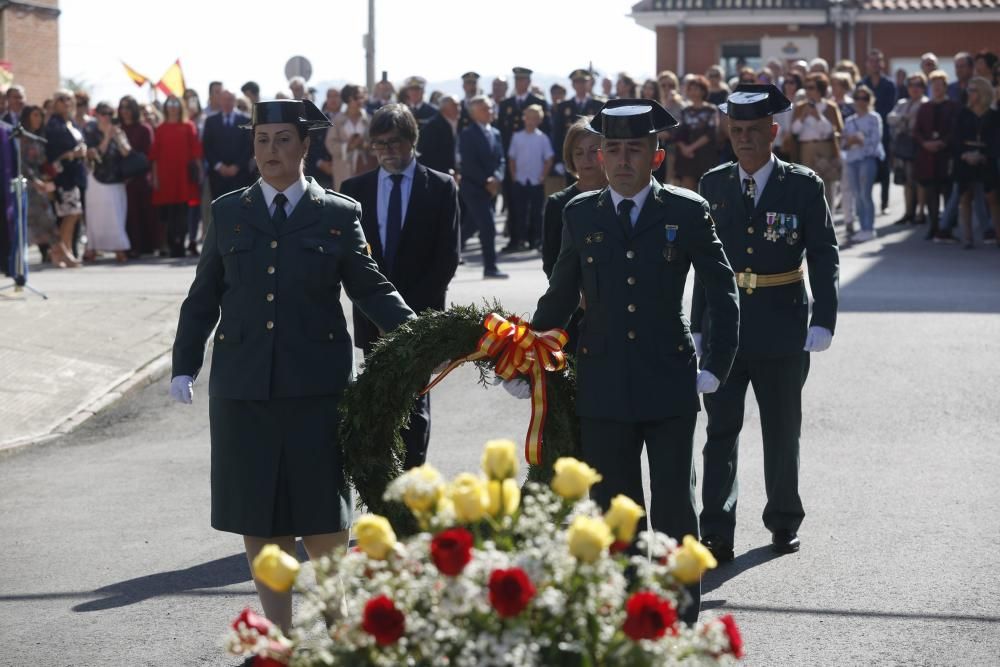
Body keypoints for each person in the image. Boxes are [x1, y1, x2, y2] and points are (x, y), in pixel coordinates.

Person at [169, 98, 415, 632]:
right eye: (262, 140)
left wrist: (422, 338)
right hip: (244, 386)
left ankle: (336, 623)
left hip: (316, 389)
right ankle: (278, 633)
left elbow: (372, 289)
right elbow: (204, 293)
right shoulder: (230, 211)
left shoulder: (337, 214)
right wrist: (183, 364)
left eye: (283, 140)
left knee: (322, 512)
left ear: (306, 147)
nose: (271, 151)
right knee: (259, 512)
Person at [514, 98, 739, 623]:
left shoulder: (685, 210)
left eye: (632, 149)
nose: (619, 160)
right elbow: (561, 294)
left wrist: (717, 362)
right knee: (617, 506)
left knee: (674, 505)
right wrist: (528, 352)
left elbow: (722, 288)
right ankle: (634, 609)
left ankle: (682, 613)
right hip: (604, 382)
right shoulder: (579, 212)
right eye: (610, 149)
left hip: (669, 378)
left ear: (655, 156)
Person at [694, 84, 839, 563]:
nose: (744, 140)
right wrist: (698, 326)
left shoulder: (802, 185)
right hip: (726, 332)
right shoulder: (712, 185)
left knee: (782, 430)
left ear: (773, 131)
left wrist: (824, 318)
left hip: (782, 323)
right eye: (736, 131)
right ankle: (715, 529)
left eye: (754, 131)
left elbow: (823, 254)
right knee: (720, 434)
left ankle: (783, 520)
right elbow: (704, 263)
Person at [340, 104, 459, 468]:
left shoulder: (439, 186)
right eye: (379, 144)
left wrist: (406, 319)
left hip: (420, 320)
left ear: (412, 141)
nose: (387, 151)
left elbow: (445, 260)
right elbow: (349, 261)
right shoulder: (353, 190)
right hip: (370, 320)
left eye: (394, 142)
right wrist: (378, 311)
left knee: (414, 407)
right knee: (378, 405)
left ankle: (412, 484)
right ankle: (381, 482)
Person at [540, 116, 607, 352]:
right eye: (578, 153)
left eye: (593, 151)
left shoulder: (621, 197)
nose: (586, 160)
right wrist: (578, 299)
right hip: (575, 314)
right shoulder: (558, 203)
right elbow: (551, 261)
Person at [458, 95, 508, 279]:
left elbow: (501, 159)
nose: (490, 111)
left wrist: (497, 177)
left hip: (491, 188)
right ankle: (490, 267)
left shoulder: (495, 133)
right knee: (488, 226)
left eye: (491, 108)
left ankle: (451, 252)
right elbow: (469, 164)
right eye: (485, 109)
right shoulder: (467, 134)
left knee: (470, 226)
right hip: (474, 187)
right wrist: (486, 181)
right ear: (474, 114)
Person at [150, 95, 203, 258]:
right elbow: (154, 156)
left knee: (183, 211)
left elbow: (196, 152)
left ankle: (181, 243)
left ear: (180, 107)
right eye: (169, 103)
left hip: (183, 176)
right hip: (165, 176)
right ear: (165, 107)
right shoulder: (160, 128)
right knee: (168, 213)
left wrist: (200, 172)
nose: (172, 106)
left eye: (175, 103)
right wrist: (155, 177)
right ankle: (171, 244)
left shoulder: (188, 126)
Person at [952, 77, 1000, 248]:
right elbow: (956, 138)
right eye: (969, 90)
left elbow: (996, 140)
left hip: (986, 158)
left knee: (993, 197)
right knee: (965, 197)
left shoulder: (994, 116)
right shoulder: (963, 114)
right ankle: (967, 237)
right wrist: (965, 154)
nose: (969, 93)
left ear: (982, 92)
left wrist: (984, 156)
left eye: (973, 90)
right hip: (965, 158)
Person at [83, 102, 132, 263]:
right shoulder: (90, 131)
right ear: (96, 114)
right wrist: (106, 137)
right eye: (104, 113)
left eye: (111, 114)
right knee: (95, 217)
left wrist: (118, 137)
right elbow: (96, 154)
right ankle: (93, 248)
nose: (107, 117)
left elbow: (126, 152)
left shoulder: (118, 131)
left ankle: (119, 248)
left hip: (116, 179)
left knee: (116, 217)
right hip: (97, 178)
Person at [913, 70, 960, 241]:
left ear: (945, 87)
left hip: (945, 156)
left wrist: (943, 143)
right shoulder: (925, 107)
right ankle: (933, 226)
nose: (937, 89)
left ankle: (946, 227)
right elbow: (917, 130)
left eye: (940, 85)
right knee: (931, 192)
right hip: (927, 157)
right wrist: (925, 143)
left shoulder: (952, 107)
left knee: (947, 192)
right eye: (934, 85)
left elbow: (955, 129)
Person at [44, 89, 87, 268]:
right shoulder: (54, 124)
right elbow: (52, 152)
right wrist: (72, 154)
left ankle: (66, 249)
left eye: (69, 99)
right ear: (55, 103)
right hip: (63, 176)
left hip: (75, 174)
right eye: (61, 99)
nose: (66, 102)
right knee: (70, 214)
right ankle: (59, 250)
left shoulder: (71, 123)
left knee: (74, 213)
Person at [789, 73, 844, 213]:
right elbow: (794, 130)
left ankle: (828, 219)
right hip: (806, 149)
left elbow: (832, 131)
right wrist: (803, 116)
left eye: (811, 87)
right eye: (806, 87)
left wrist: (818, 116)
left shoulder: (830, 107)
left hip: (825, 148)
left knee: (827, 186)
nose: (807, 90)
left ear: (820, 89)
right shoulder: (800, 107)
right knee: (808, 185)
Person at [506, 104, 554, 251]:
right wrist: (514, 175)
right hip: (520, 179)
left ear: (539, 120)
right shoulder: (517, 136)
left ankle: (536, 239)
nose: (531, 121)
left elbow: (549, 158)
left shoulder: (542, 138)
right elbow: (512, 158)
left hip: (535, 180)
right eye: (528, 118)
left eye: (535, 118)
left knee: (536, 212)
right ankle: (520, 239)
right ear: (524, 119)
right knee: (519, 212)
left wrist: (542, 176)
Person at [841, 85, 885, 242]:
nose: (861, 101)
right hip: (852, 160)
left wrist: (860, 140)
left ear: (870, 100)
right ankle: (862, 227)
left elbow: (875, 140)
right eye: (858, 98)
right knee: (857, 195)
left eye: (864, 98)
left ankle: (869, 227)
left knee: (866, 193)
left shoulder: (874, 118)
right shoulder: (849, 120)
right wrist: (850, 141)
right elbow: (843, 144)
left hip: (868, 159)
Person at [887, 73, 928, 226]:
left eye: (918, 85)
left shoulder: (925, 103)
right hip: (903, 145)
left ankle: (920, 212)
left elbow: (918, 122)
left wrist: (902, 119)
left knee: (918, 181)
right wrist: (904, 118)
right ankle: (908, 212)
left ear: (923, 87)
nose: (914, 89)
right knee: (906, 181)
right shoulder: (903, 103)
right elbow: (891, 118)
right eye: (911, 85)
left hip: (919, 145)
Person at [117, 95, 155, 256]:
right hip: (120, 180)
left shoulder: (144, 129)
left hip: (140, 178)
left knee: (142, 213)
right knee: (127, 215)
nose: (125, 111)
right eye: (122, 107)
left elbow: (149, 156)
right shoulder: (118, 129)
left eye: (128, 107)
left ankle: (144, 246)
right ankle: (130, 246)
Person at [18, 105, 57, 256]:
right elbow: (20, 162)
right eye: (35, 115)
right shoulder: (22, 137)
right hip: (27, 185)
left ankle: (55, 253)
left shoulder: (37, 137)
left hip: (40, 184)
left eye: (40, 116)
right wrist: (34, 180)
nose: (38, 119)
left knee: (49, 219)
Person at [551, 70, 604, 178]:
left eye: (583, 82)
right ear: (573, 84)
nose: (580, 85)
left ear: (589, 83)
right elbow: (557, 134)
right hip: (571, 157)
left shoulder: (598, 104)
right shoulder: (563, 106)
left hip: (594, 156)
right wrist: (558, 160)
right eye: (577, 82)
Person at [861, 50, 895, 215]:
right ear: (867, 64)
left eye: (877, 61)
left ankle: (884, 203)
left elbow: (889, 109)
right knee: (864, 168)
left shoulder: (889, 84)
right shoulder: (861, 84)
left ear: (882, 64)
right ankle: (864, 204)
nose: (875, 64)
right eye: (871, 61)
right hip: (864, 133)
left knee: (884, 168)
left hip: (883, 133)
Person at [202, 90, 253, 200]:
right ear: (220, 101)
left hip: (240, 175)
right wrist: (219, 166)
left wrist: (237, 166)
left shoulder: (246, 120)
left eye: (230, 100)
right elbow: (207, 147)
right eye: (224, 100)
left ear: (234, 101)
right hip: (217, 176)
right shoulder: (211, 121)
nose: (227, 102)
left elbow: (249, 147)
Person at [674, 75, 719, 191]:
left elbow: (711, 133)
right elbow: (678, 133)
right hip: (687, 157)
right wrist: (684, 148)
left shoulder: (711, 109)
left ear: (704, 91)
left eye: (696, 89)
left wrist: (691, 148)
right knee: (688, 192)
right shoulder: (684, 110)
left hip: (706, 155)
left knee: (707, 190)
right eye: (690, 89)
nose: (693, 92)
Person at [326, 83, 372, 191]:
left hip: (366, 170)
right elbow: (330, 144)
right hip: (343, 172)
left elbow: (377, 143)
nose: (361, 101)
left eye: (362, 97)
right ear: (348, 99)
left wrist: (364, 145)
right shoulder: (336, 120)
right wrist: (348, 146)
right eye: (357, 98)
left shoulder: (370, 120)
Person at [416, 95, 459, 175]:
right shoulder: (431, 127)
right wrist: (447, 171)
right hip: (439, 175)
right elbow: (428, 156)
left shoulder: (459, 123)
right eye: (455, 105)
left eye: (459, 105)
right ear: (443, 109)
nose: (459, 108)